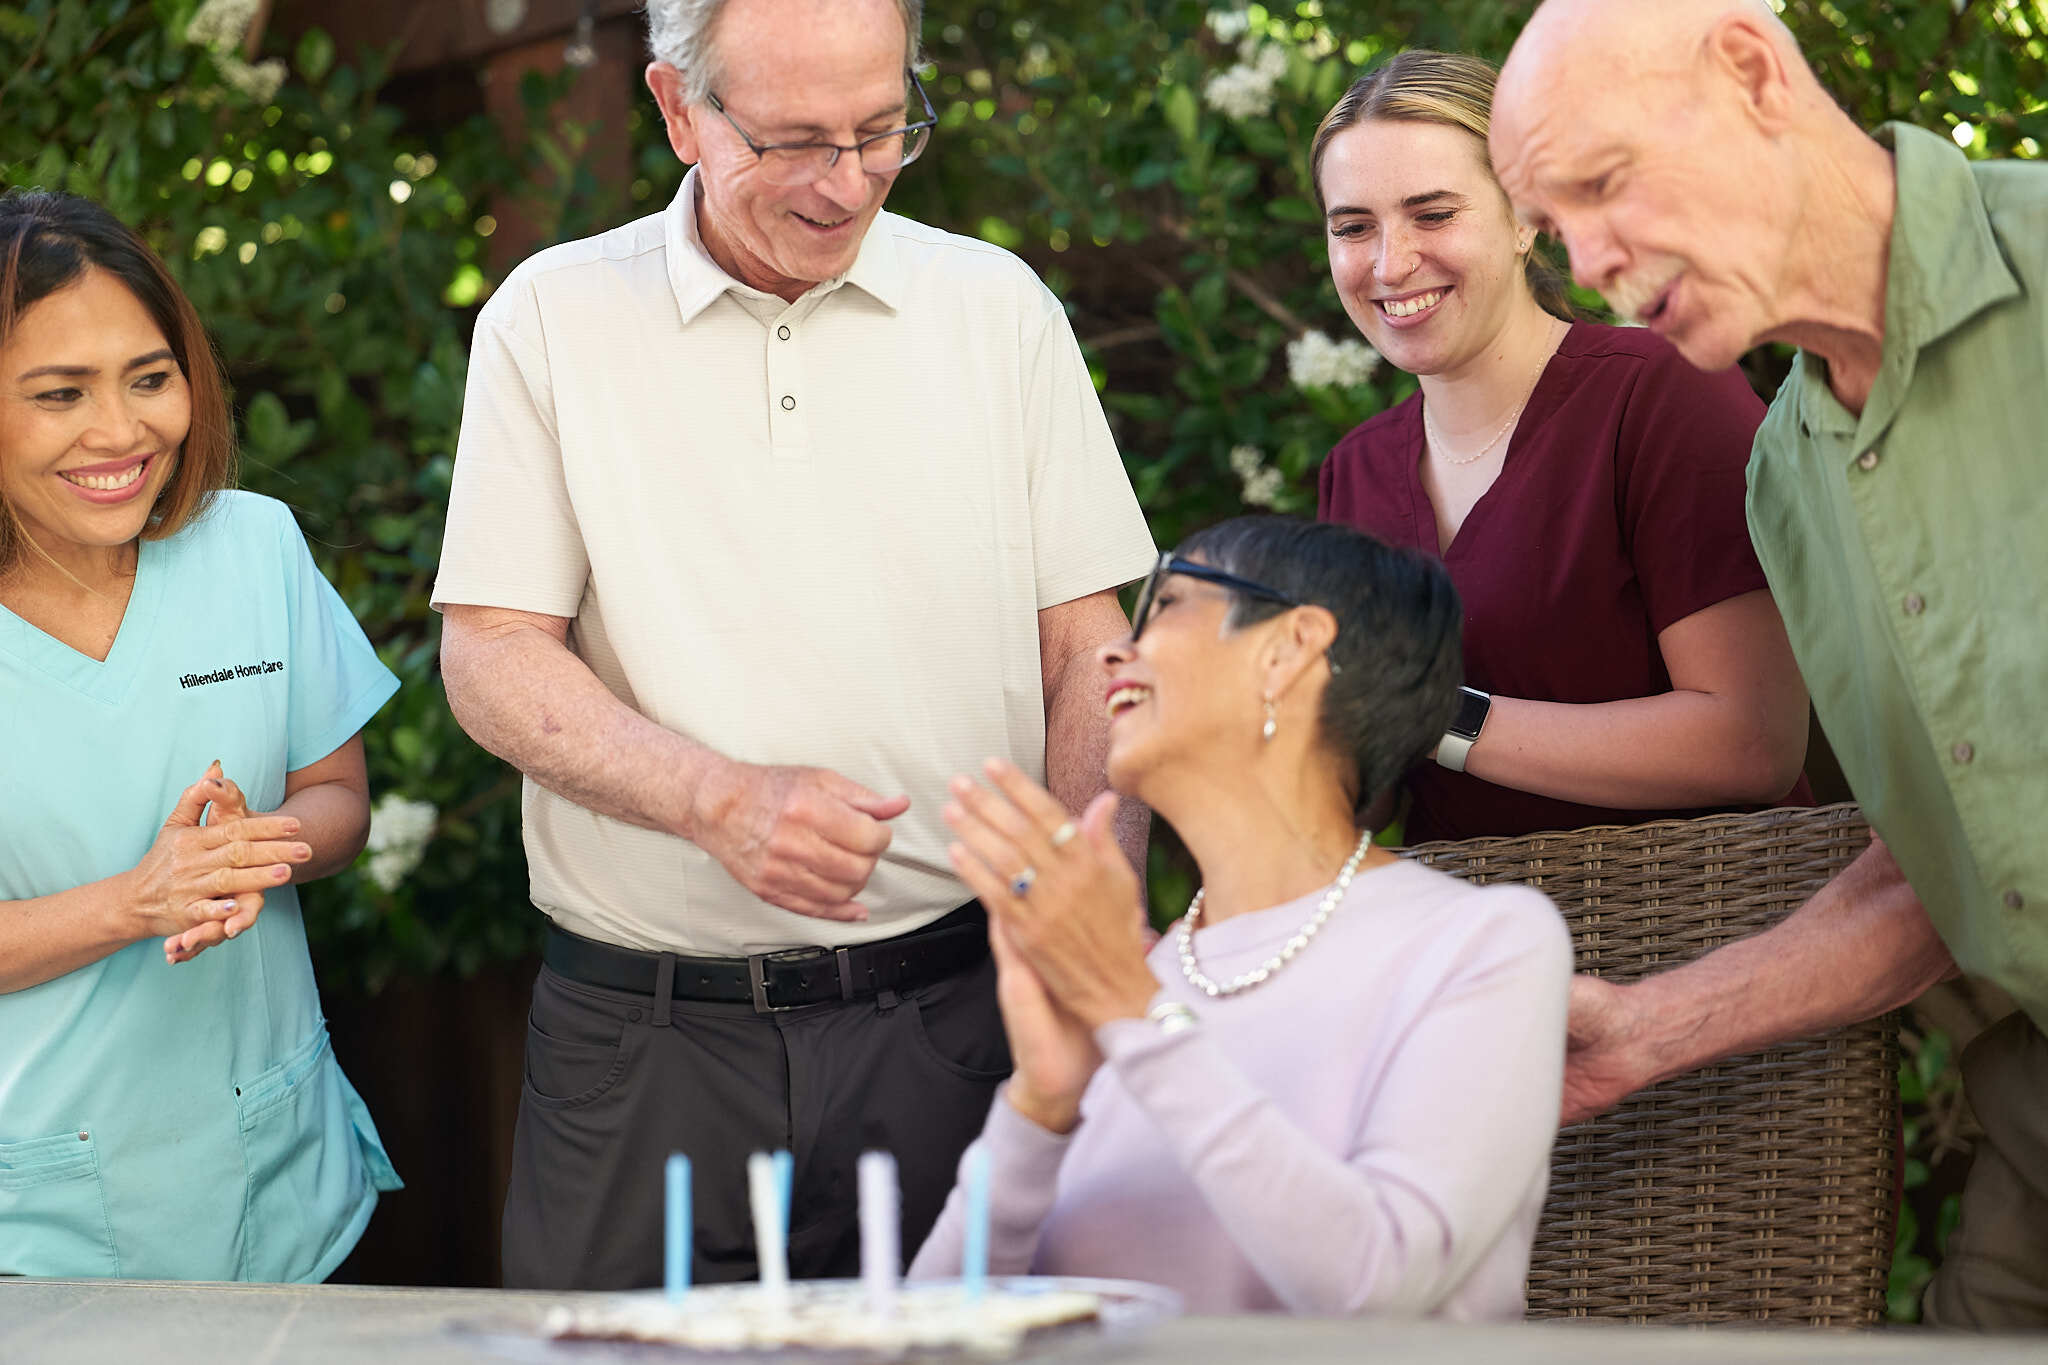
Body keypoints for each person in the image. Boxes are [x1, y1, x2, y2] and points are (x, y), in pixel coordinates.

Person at [432, 0, 1154, 1291]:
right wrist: (716, 799)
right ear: (676, 109)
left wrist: (1091, 935)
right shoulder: (550, 320)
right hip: (643, 1048)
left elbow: (1089, 651)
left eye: (884, 129)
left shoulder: (1000, 311)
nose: (847, 183)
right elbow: (490, 653)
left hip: (959, 1021)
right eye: (795, 141)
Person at [1491, 0, 2048, 1327]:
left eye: (1605, 185)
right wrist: (1644, 1033)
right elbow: (1937, 866)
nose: (1594, 261)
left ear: (1750, 71)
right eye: (1559, 232)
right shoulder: (1785, 477)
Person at [909, 517, 1572, 1317]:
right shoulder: (1138, 980)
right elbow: (928, 1326)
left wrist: (1132, 1011)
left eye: (1170, 604)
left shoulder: (1485, 945)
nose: (1116, 652)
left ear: (1290, 650)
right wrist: (1039, 1107)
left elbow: (1378, 1287)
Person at [0, 189, 399, 1280]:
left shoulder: (255, 547)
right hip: (38, 1236)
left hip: (288, 1192)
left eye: (149, 377)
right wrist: (141, 899)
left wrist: (255, 849)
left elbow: (338, 798)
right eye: (59, 393)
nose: (122, 432)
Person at [1313, 50, 1811, 845]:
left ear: (1525, 218)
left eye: (1433, 214)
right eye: (1353, 227)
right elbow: (1356, 800)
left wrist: (1441, 719)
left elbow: (1754, 741)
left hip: (1695, 929)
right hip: (1466, 949)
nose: (1390, 262)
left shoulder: (1661, 395)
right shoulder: (1355, 472)